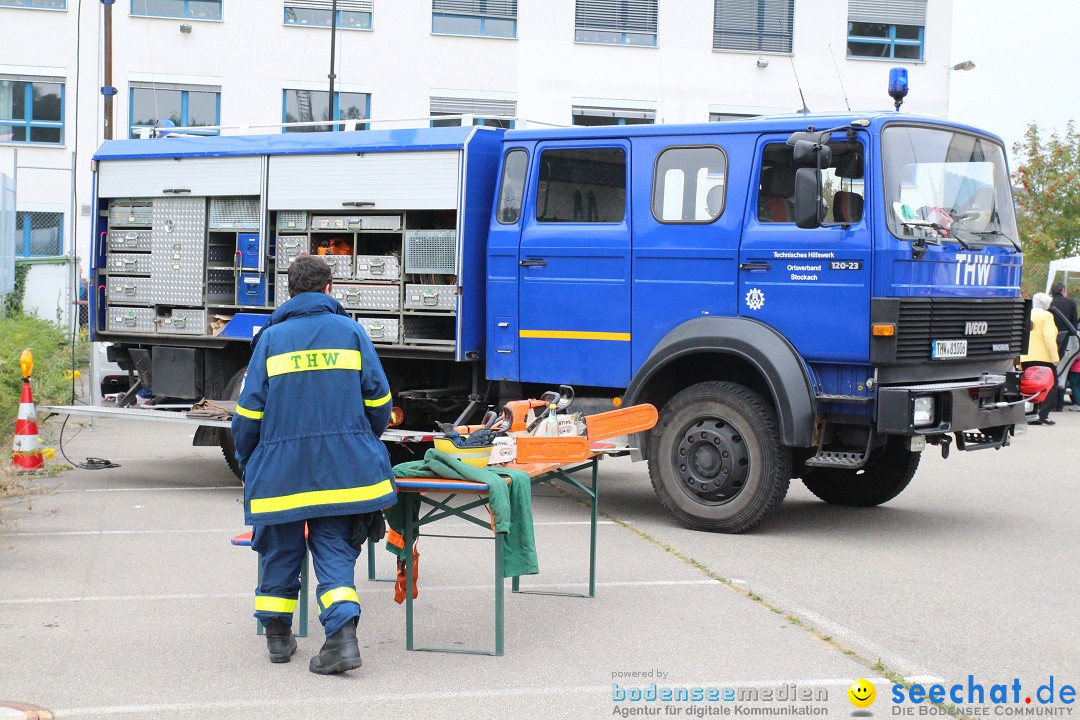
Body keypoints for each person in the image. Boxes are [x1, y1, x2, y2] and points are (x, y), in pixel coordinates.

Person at [232, 255, 396, 674]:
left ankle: (277, 639)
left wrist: (249, 461)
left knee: (279, 550)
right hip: (344, 473)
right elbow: (379, 402)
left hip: (282, 473)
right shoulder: (352, 332)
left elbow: (248, 415)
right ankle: (342, 641)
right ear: (328, 290)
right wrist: (359, 440)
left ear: (289, 292)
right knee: (334, 550)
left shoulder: (270, 340)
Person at [1020, 292, 1060, 426]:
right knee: (1051, 386)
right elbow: (1049, 338)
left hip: (1026, 356)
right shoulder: (1047, 316)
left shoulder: (1027, 314)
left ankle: (1030, 413)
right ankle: (1042, 414)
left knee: (1029, 386)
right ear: (1047, 305)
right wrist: (1055, 357)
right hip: (1043, 358)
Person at [1050, 281, 1078, 356]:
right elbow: (1074, 322)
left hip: (1051, 334)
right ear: (1062, 291)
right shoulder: (1071, 302)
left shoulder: (1048, 302)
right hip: (1066, 336)